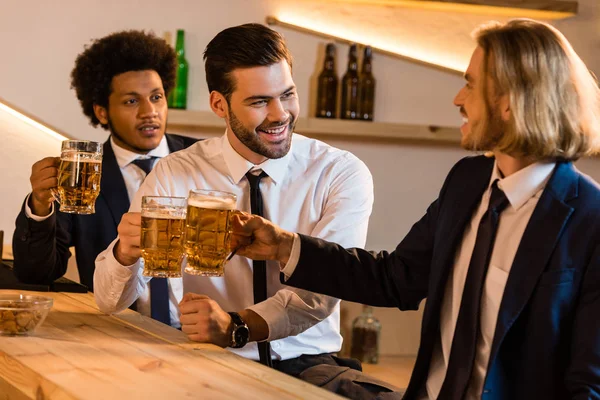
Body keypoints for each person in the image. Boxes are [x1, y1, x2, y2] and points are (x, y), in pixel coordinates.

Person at [232, 19, 600, 399]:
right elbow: (394, 278)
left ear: (508, 102)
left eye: (471, 84)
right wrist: (284, 246)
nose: (458, 98)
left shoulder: (591, 220)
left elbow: (589, 385)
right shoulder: (467, 182)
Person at [93, 24, 396, 397]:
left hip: (311, 364)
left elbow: (321, 293)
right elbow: (109, 302)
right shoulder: (176, 171)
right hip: (208, 364)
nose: (280, 114)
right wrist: (124, 254)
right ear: (219, 105)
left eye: (287, 94)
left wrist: (238, 325)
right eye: (259, 102)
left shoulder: (340, 172)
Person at [12, 30, 198, 293]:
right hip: (119, 327)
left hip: (203, 326)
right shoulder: (81, 177)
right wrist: (40, 205)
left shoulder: (202, 157)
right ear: (101, 112)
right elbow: (37, 273)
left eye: (156, 97)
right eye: (132, 101)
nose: (149, 112)